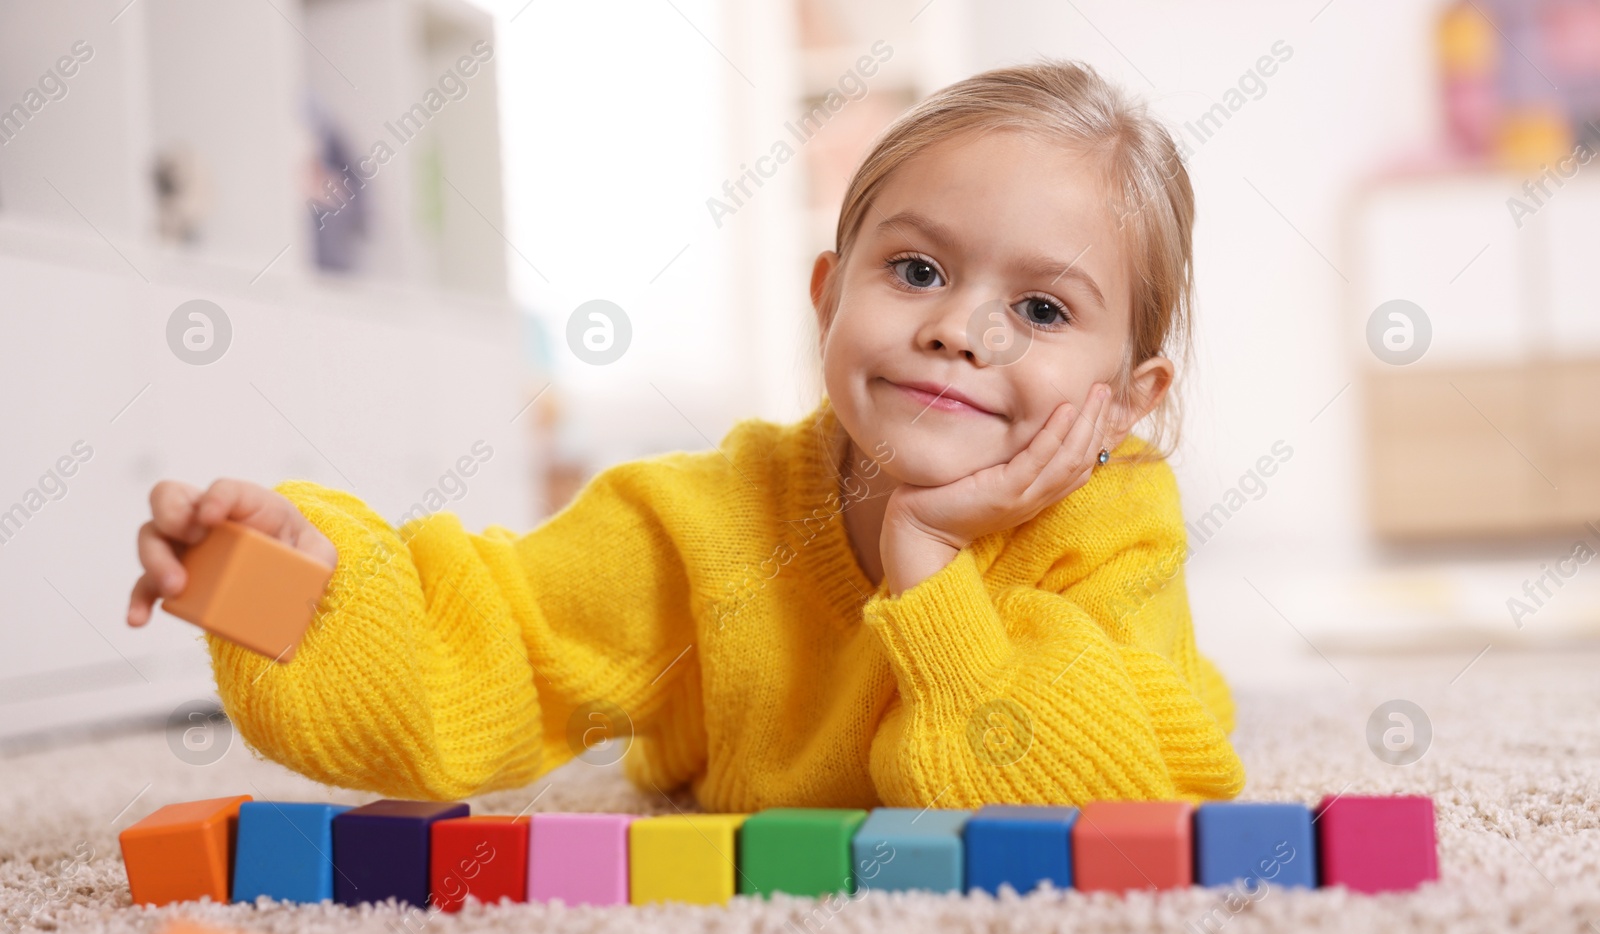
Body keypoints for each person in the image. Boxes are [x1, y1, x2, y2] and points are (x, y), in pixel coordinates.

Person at [126, 60, 1245, 811]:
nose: (958, 328)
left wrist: (933, 565)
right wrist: (294, 584)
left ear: (1129, 395)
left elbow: (1127, 806)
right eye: (916, 271)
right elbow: (497, 644)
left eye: (1041, 311)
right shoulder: (706, 519)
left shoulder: (1111, 526)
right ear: (827, 296)